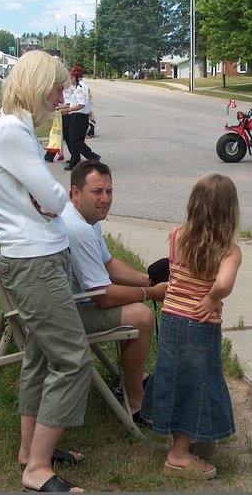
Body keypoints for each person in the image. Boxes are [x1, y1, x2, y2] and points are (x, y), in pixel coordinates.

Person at [0, 50, 91, 493]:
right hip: (35, 261)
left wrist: (49, 201)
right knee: (72, 358)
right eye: (57, 87)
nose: (61, 96)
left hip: (39, 256)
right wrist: (52, 201)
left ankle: (31, 449)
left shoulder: (15, 130)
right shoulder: (10, 131)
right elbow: (53, 197)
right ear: (37, 82)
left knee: (42, 357)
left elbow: (47, 199)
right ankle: (37, 469)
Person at [140, 173, 243, 481]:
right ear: (230, 212)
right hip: (200, 326)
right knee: (196, 384)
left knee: (175, 376)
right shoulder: (229, 251)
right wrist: (212, 297)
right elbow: (223, 283)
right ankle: (179, 455)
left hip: (171, 319)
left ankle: (185, 434)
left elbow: (174, 273)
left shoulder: (177, 236)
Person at [61, 160, 168, 421]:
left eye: (109, 191)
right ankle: (135, 404)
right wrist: (151, 294)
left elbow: (108, 264)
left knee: (134, 308)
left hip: (70, 304)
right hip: (66, 315)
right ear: (76, 193)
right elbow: (105, 297)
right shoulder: (79, 230)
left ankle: (129, 379)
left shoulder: (84, 218)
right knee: (141, 316)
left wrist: (148, 280)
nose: (105, 199)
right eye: (97, 192)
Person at [60, 66, 99, 170]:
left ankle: (92, 156)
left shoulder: (79, 89)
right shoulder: (84, 86)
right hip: (82, 117)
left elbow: (81, 104)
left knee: (75, 141)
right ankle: (75, 161)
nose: (70, 80)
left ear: (75, 77)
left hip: (78, 116)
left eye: (71, 77)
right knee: (77, 140)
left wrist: (68, 110)